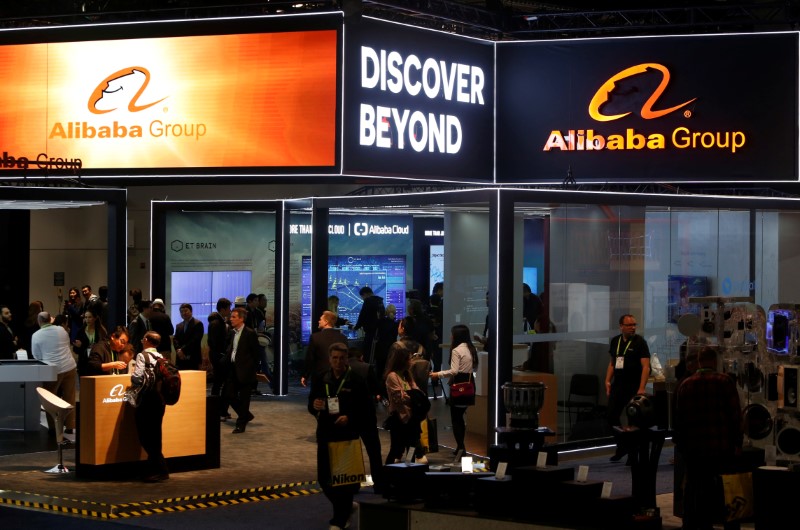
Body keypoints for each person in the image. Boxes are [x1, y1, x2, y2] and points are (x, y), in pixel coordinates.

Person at [675, 346, 743, 530]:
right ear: (714, 361)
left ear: (698, 362)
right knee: (724, 487)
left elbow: (679, 419)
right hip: (721, 446)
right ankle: (730, 523)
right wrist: (737, 442)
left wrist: (682, 446)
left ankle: (694, 523)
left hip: (695, 448)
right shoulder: (725, 382)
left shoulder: (686, 384)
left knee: (694, 486)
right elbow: (735, 415)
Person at [308, 342, 371, 530]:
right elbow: (311, 404)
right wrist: (315, 407)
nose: (337, 361)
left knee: (344, 482)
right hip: (326, 433)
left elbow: (366, 408)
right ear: (329, 359)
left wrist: (349, 417)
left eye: (341, 358)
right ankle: (345, 508)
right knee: (324, 479)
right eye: (334, 358)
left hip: (347, 435)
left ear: (346, 359)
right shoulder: (321, 378)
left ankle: (339, 520)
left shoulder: (356, 380)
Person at [605, 313, 651, 462]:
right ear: (621, 327)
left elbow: (646, 367)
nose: (633, 328)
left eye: (634, 325)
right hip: (618, 384)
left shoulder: (640, 342)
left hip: (634, 386)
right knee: (611, 416)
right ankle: (622, 445)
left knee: (633, 421)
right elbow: (612, 363)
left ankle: (632, 455)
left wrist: (642, 388)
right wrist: (607, 380)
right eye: (629, 325)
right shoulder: (616, 341)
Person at [431, 324, 478, 455]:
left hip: (458, 385)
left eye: (452, 334)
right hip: (469, 384)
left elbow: (454, 371)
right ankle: (460, 447)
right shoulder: (471, 348)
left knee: (456, 419)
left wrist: (437, 374)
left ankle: (461, 447)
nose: (451, 336)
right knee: (460, 417)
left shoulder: (456, 350)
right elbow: (475, 367)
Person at [131, 331, 170, 482]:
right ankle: (154, 469)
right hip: (160, 399)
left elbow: (137, 377)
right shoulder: (161, 357)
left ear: (146, 340)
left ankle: (161, 469)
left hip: (147, 399)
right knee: (155, 433)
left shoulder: (142, 356)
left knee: (145, 435)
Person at [31, 311, 78, 435]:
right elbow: (67, 345)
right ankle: (70, 426)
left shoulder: (36, 335)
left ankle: (53, 427)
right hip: (69, 366)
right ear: (50, 319)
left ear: (39, 321)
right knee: (70, 396)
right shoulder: (61, 330)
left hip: (52, 370)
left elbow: (36, 355)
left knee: (50, 399)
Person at [347, 346, 384, 493]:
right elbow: (376, 389)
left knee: (352, 450)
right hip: (366, 413)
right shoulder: (366, 368)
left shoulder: (344, 369)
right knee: (374, 450)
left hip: (349, 414)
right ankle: (379, 483)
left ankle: (353, 483)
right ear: (361, 356)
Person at [383, 341, 425, 464]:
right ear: (402, 361)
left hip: (412, 419)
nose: (412, 361)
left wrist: (413, 396)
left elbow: (417, 393)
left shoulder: (408, 375)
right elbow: (400, 397)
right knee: (396, 450)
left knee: (411, 449)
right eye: (410, 359)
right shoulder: (392, 376)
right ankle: (388, 475)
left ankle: (409, 471)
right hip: (399, 420)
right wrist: (414, 397)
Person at [224, 306, 260, 434]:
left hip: (246, 371)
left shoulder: (250, 333)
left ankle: (241, 424)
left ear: (241, 319)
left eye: (234, 317)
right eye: (231, 316)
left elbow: (256, 353)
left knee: (245, 399)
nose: (231, 319)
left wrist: (253, 369)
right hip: (233, 369)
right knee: (229, 395)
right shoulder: (232, 332)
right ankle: (246, 415)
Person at [302, 311, 348, 388]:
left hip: (320, 377)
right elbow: (346, 358)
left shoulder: (315, 337)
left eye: (320, 319)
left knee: (317, 399)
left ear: (326, 322)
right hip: (339, 376)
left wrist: (305, 375)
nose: (318, 321)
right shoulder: (342, 338)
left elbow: (310, 358)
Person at [208, 297, 232, 420]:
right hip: (219, 357)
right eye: (229, 308)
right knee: (218, 384)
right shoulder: (217, 323)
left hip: (217, 356)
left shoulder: (219, 321)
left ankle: (217, 410)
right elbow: (215, 342)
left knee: (218, 383)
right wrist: (223, 354)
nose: (230, 311)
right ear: (223, 309)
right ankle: (217, 410)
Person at [73, 307, 108, 376]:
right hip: (84, 364)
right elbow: (76, 350)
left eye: (90, 317)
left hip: (97, 362)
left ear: (95, 318)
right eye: (86, 317)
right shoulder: (81, 331)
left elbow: (105, 347)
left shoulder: (101, 331)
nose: (87, 320)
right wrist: (79, 346)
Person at [354, 286, 384, 363]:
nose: (362, 299)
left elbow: (362, 316)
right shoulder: (380, 301)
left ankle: (368, 371)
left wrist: (356, 327)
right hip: (379, 333)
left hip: (370, 333)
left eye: (362, 297)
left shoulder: (368, 301)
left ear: (365, 294)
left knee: (368, 355)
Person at [173, 303, 204, 371]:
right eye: (181, 311)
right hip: (180, 358)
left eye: (186, 310)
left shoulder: (198, 324)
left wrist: (183, 350)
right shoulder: (179, 326)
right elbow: (175, 339)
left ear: (191, 311)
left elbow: (195, 340)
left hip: (193, 358)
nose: (184, 313)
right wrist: (178, 350)